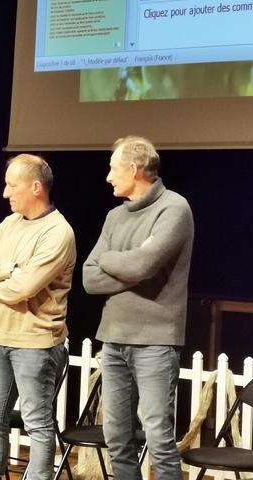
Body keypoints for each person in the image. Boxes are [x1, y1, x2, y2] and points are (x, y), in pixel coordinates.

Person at [83, 136, 194, 480]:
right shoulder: (114, 216)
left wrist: (112, 260)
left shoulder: (173, 208)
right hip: (113, 338)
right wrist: (131, 265)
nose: (108, 178)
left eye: (113, 169)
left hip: (155, 341)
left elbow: (143, 266)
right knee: (117, 437)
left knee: (158, 438)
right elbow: (89, 278)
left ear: (133, 169)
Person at [0, 154, 76, 480]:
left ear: (36, 187)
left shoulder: (57, 232)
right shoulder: (9, 223)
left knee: (36, 422)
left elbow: (23, 288)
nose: (5, 193)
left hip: (36, 342)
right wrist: (7, 270)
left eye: (12, 186)